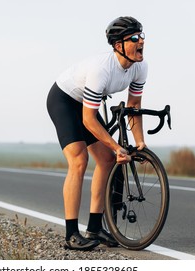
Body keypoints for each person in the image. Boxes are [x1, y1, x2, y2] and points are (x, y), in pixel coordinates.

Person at [46, 16, 148, 251]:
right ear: (118, 45)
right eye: (134, 37)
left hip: (85, 104)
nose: (141, 41)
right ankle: (71, 235)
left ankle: (94, 228)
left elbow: (134, 107)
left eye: (142, 36)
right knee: (79, 160)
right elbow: (88, 120)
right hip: (64, 99)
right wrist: (116, 145)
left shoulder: (141, 67)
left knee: (106, 160)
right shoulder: (102, 69)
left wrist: (140, 141)